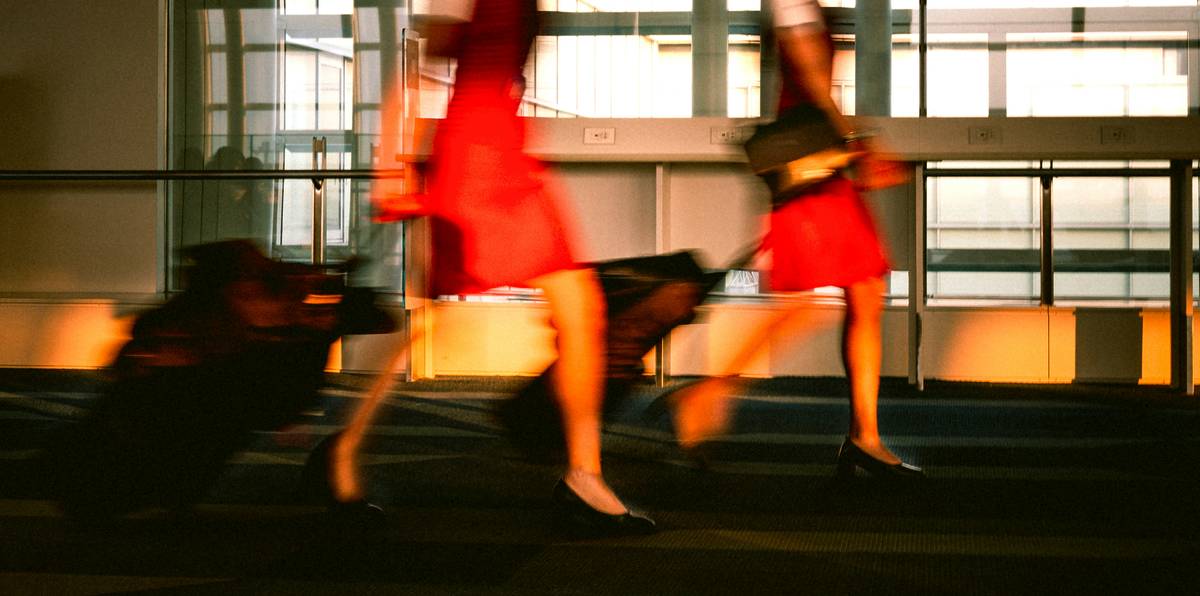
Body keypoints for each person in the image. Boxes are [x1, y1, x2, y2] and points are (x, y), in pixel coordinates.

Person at [357, 0, 655, 535]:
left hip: (501, 148)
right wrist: (392, 162)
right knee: (562, 308)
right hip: (478, 156)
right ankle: (346, 444)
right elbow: (422, 61)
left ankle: (585, 475)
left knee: (575, 310)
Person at [659, 0, 922, 479]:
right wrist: (862, 148)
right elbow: (817, 84)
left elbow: (819, 85)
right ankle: (706, 392)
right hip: (812, 166)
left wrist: (859, 147)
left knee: (865, 292)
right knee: (801, 303)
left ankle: (865, 436)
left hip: (822, 163)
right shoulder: (794, 3)